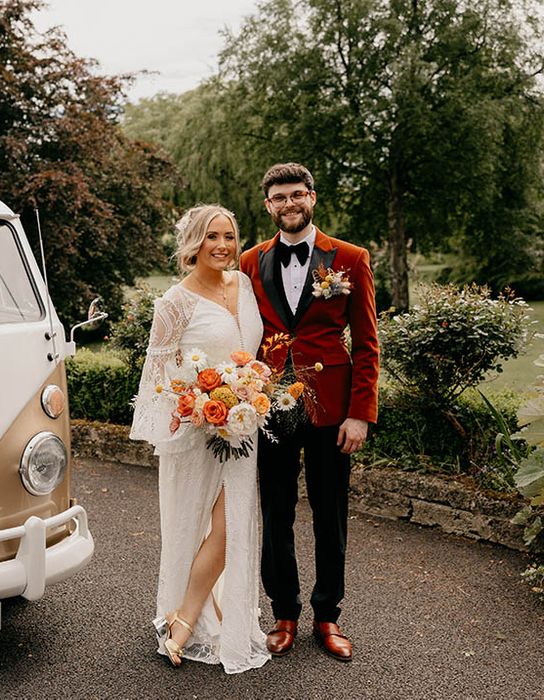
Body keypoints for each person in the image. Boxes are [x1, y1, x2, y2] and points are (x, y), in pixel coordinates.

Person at [240, 163, 379, 662]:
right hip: (269, 407)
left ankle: (327, 614)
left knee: (330, 514)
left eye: (297, 195)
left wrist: (360, 413)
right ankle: (284, 613)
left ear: (312, 198)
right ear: (268, 206)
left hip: (334, 412)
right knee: (276, 511)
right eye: (279, 198)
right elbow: (241, 335)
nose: (289, 204)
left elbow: (367, 344)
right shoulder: (249, 261)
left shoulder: (350, 258)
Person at [130, 204, 271, 674]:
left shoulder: (243, 284)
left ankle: (187, 617)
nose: (223, 246)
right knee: (192, 529)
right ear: (194, 241)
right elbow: (157, 373)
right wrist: (193, 404)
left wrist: (253, 386)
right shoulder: (175, 302)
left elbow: (249, 353)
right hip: (197, 432)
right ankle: (184, 615)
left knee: (232, 526)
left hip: (242, 427)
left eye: (229, 236)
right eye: (212, 236)